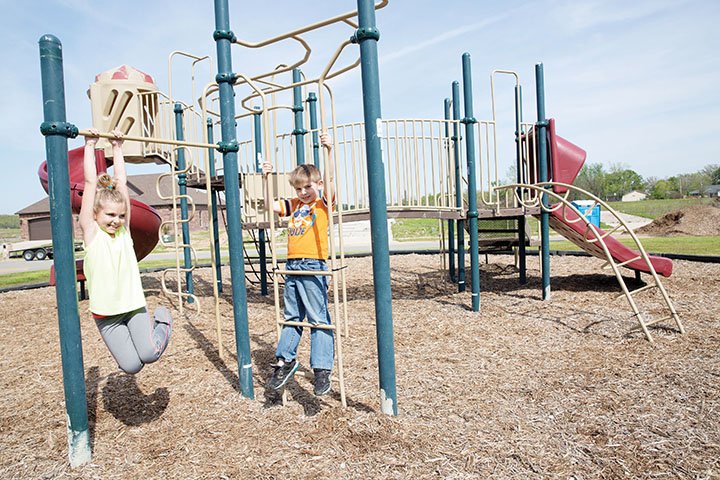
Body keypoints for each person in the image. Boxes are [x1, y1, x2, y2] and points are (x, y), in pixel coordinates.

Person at [79, 128, 173, 374]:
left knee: (149, 354)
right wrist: (90, 145)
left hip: (132, 306)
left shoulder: (124, 233)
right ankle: (137, 350)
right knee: (131, 366)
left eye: (121, 215)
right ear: (96, 214)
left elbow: (120, 182)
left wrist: (117, 148)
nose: (116, 220)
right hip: (106, 316)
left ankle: (163, 320)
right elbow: (90, 182)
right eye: (110, 215)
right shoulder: (91, 233)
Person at [262, 132, 335, 396]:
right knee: (292, 317)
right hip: (293, 265)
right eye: (299, 189)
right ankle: (285, 361)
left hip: (314, 265)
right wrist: (267, 178)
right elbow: (271, 205)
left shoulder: (323, 203)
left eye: (307, 187)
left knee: (318, 319)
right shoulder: (294, 205)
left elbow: (332, 186)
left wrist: (328, 152)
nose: (303, 193)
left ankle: (322, 371)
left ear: (318, 184)